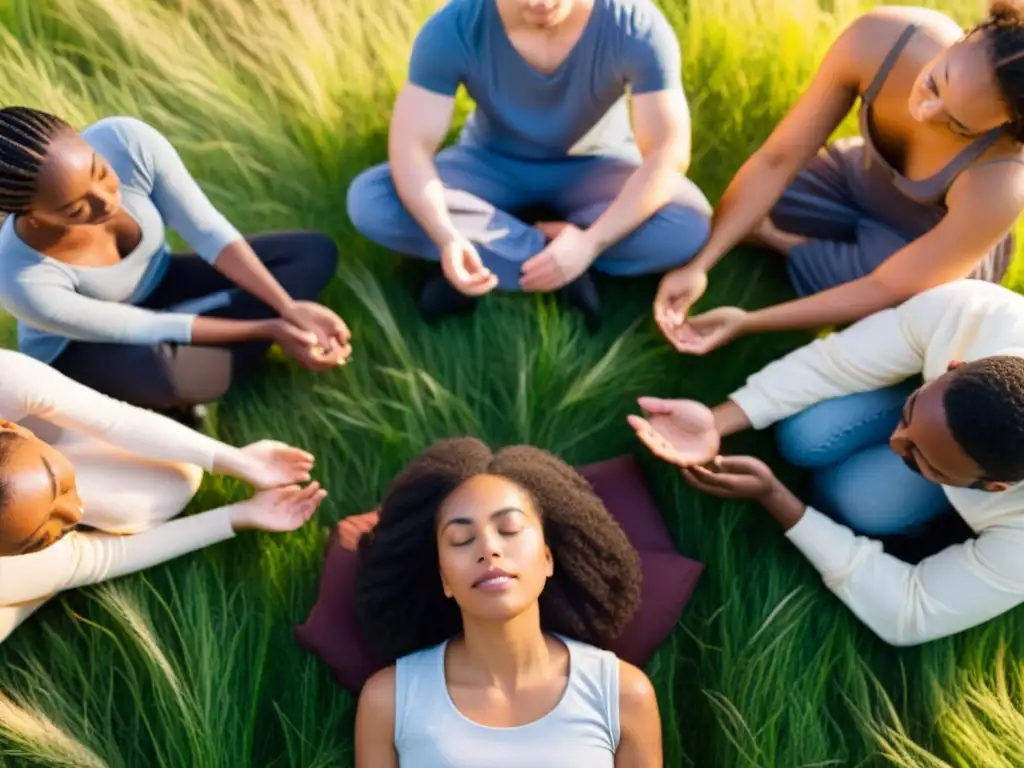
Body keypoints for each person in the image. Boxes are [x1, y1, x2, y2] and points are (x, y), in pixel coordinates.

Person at [630, 278, 1024, 647]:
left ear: (994, 487)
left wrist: (779, 501)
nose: (894, 441)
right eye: (909, 412)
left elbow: (911, 611)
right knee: (804, 436)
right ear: (956, 366)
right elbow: (839, 362)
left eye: (927, 464)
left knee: (856, 503)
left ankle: (933, 504)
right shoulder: (975, 313)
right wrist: (719, 421)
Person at [653, 3, 1024, 356]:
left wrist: (747, 321)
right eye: (934, 83)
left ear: (1007, 124)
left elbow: (883, 287)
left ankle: (779, 241)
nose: (927, 113)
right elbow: (776, 161)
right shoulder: (884, 39)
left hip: (922, 243)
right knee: (760, 202)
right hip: (855, 178)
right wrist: (699, 265)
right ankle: (786, 238)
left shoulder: (1000, 183)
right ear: (964, 36)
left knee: (892, 320)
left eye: (958, 125)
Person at [345, 0, 712, 331]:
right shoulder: (455, 25)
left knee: (687, 225)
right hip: (489, 163)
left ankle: (509, 257)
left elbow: (668, 151)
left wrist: (590, 242)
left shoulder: (634, 24)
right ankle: (554, 266)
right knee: (372, 200)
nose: (538, 2)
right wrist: (446, 237)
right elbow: (410, 145)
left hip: (596, 167)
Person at [0, 107, 352, 426]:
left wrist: (288, 309)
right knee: (180, 376)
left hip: (160, 281)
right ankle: (184, 382)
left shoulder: (125, 141)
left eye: (101, 171)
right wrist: (270, 328)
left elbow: (208, 232)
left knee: (311, 254)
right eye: (76, 210)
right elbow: (138, 327)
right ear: (30, 216)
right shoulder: (21, 279)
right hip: (86, 348)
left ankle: (204, 354)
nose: (106, 200)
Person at [352, 437, 662, 766]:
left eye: (509, 529)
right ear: (443, 578)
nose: (489, 548)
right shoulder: (390, 701)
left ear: (548, 558)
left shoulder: (621, 695)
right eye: (462, 539)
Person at [0, 347, 326, 643]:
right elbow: (96, 559)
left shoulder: (8, 380)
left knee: (175, 480)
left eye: (67, 489)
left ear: (9, 426)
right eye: (37, 539)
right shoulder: (8, 575)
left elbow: (113, 418)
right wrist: (238, 516)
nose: (77, 509)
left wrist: (237, 461)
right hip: (13, 583)